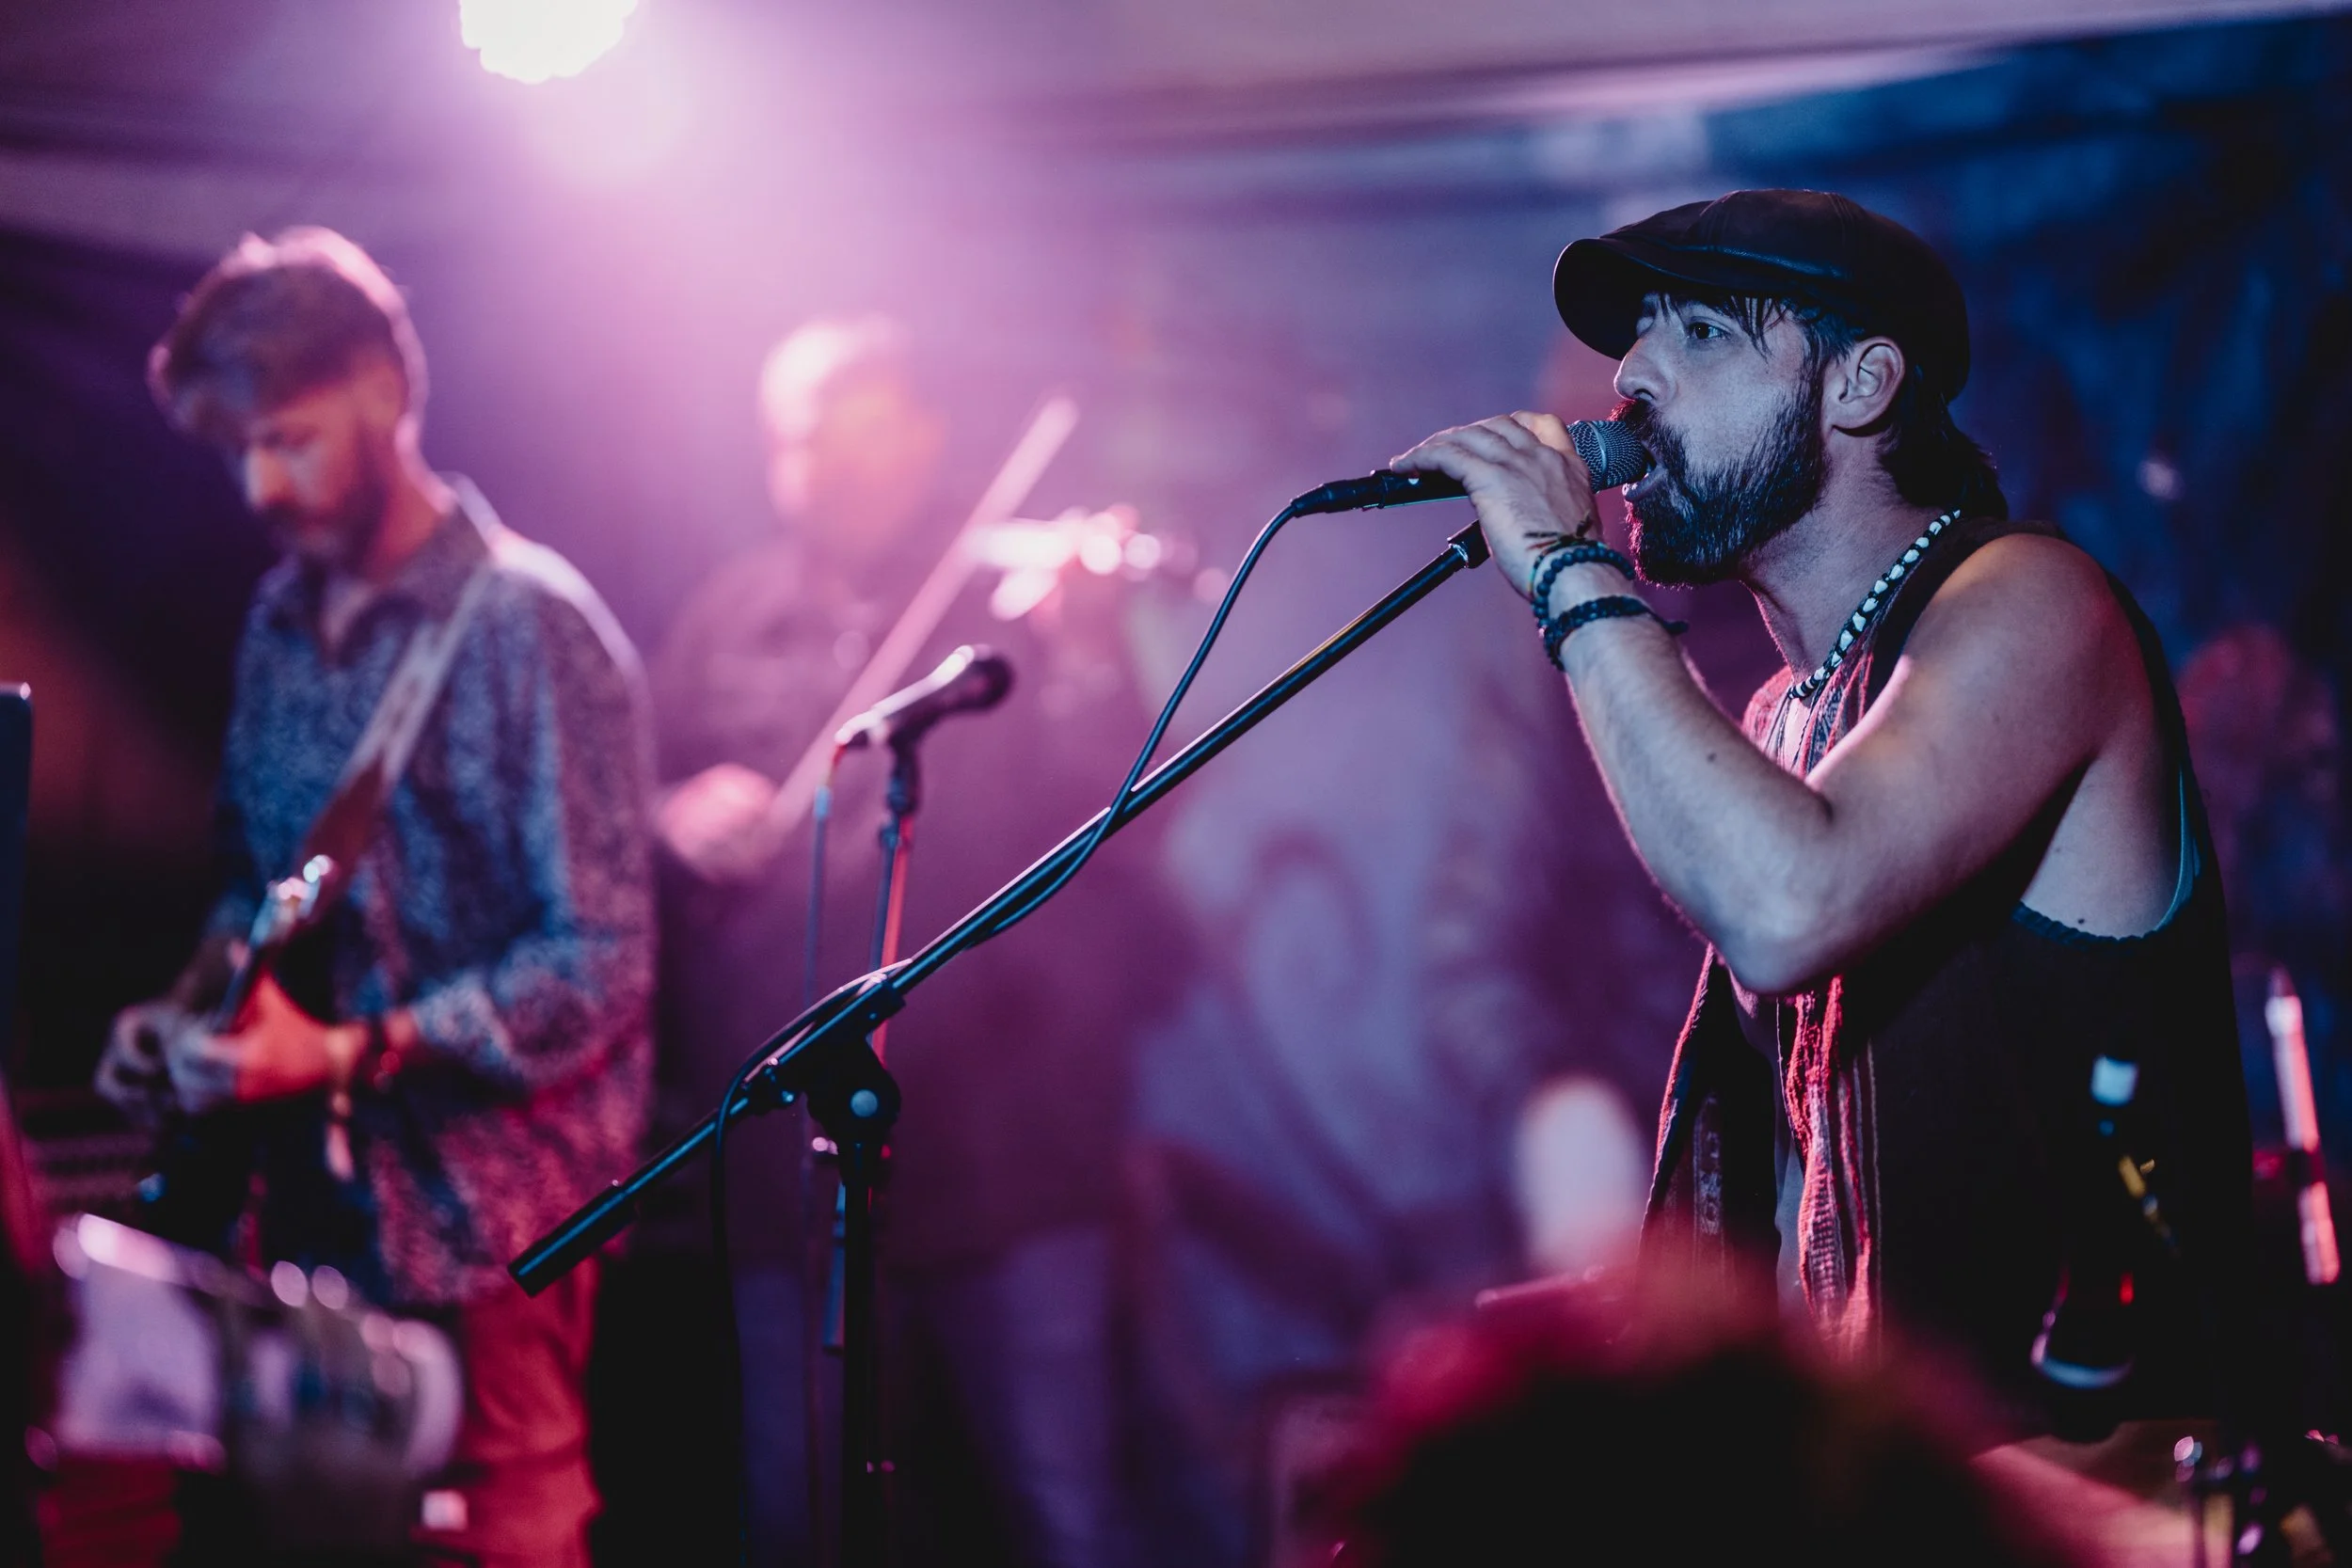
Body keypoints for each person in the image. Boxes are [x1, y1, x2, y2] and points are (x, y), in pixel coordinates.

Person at [1393, 189, 2251, 1431]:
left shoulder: (2036, 606)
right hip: (1922, 1492)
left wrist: (1576, 576)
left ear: (1860, 385)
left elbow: (1791, 902)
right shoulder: (1785, 724)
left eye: (1696, 330)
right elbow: (1803, 1185)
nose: (1627, 377)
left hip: (2112, 1492)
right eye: (1636, 334)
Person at [92, 227, 656, 1565]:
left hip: (489, 1235)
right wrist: (188, 1021)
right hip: (301, 1220)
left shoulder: (534, 624)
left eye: (286, 436)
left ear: (386, 396)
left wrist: (351, 1050)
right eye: (238, 451)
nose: (259, 483)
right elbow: (256, 883)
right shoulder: (280, 621)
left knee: (499, 1539)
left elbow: (603, 959)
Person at [648, 319, 1183, 1566]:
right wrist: (675, 815)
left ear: (929, 440)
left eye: (867, 440)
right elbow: (634, 804)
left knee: (1060, 1510)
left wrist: (1092, 644)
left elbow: (1125, 816)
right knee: (798, 1513)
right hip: (796, 1160)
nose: (834, 470)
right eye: (805, 443)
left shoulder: (1004, 604)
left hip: (1005, 1154)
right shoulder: (730, 616)